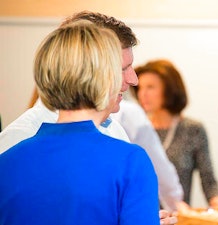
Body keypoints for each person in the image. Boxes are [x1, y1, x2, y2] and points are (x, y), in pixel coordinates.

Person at [0, 11, 180, 224]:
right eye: (122, 69)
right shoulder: (130, 160)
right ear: (98, 73)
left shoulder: (9, 160)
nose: (133, 80)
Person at [131, 59, 218, 208]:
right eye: (140, 88)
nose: (143, 94)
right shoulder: (136, 129)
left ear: (169, 90)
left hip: (178, 218)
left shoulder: (193, 129)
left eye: (150, 87)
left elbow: (209, 181)